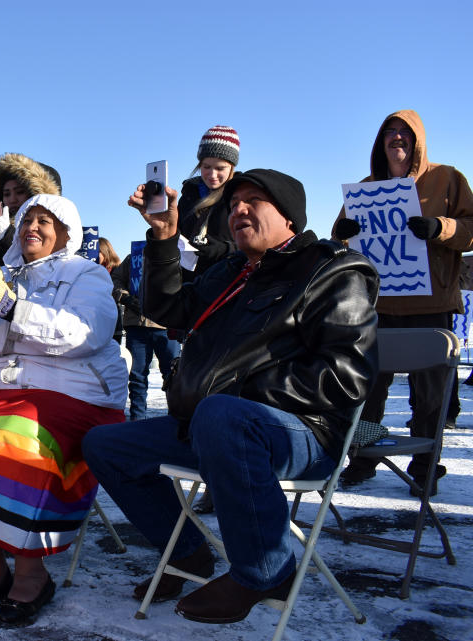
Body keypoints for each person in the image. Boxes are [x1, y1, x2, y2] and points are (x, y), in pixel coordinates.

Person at [83, 169, 378, 625]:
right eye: (234, 202)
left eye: (253, 200)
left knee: (223, 414)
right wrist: (163, 235)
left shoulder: (331, 269)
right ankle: (189, 554)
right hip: (215, 426)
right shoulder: (232, 270)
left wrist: (238, 395)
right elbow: (166, 309)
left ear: (289, 216)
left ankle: (265, 571)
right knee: (106, 444)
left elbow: (346, 376)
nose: (238, 209)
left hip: (303, 433)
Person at [0, 194, 127, 624]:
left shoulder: (84, 273)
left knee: (12, 435)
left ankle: (32, 573)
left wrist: (13, 308)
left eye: (44, 221)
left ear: (65, 233)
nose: (32, 226)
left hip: (73, 393)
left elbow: (85, 334)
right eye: (26, 220)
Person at [333, 110, 473, 494]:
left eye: (404, 133)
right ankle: (362, 459)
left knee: (429, 395)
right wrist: (342, 233)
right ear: (381, 143)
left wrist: (440, 227)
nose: (396, 138)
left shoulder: (448, 179)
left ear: (417, 141)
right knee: (366, 390)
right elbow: (340, 239)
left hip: (430, 305)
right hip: (376, 307)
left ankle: (427, 464)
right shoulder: (366, 188)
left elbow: (471, 229)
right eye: (389, 133)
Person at [110, 255, 180, 420]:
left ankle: (176, 418)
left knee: (173, 375)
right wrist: (125, 297)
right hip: (137, 324)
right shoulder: (135, 256)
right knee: (137, 376)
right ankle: (137, 419)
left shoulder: (177, 254)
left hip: (167, 324)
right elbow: (115, 280)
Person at [0, 153, 62, 265]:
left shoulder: (58, 227)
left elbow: (39, 264)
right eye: (6, 194)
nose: (12, 199)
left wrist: (7, 235)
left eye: (20, 192)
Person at [177, 126, 241, 278]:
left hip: (226, 282)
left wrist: (226, 249)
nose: (212, 174)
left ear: (231, 167)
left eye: (220, 168)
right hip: (188, 284)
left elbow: (259, 243)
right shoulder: (187, 196)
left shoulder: (240, 196)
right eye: (206, 167)